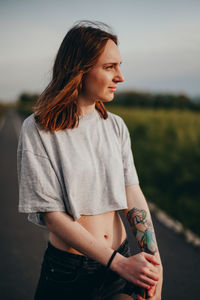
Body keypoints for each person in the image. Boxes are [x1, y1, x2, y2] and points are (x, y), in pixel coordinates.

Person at [17, 20, 163, 300]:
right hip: (69, 273)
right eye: (110, 67)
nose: (120, 77)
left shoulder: (115, 125)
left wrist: (154, 266)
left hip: (123, 265)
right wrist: (119, 263)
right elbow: (53, 216)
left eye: (119, 66)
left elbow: (132, 195)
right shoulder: (38, 129)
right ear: (79, 70)